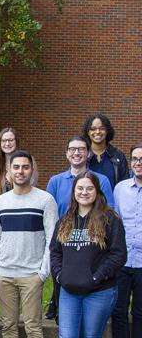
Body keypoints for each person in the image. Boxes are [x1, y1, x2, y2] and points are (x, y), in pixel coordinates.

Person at [44, 171, 126, 338]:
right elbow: (55, 251)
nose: (84, 192)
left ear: (97, 191)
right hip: (69, 291)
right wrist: (59, 275)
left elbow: (118, 254)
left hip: (99, 291)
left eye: (89, 188)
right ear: (74, 192)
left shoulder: (110, 219)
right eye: (80, 188)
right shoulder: (66, 219)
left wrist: (95, 277)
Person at [0, 150, 58, 338]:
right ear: (8, 172)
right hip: (5, 274)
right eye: (15, 167)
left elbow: (52, 239)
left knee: (33, 326)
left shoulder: (45, 200)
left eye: (25, 167)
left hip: (31, 275)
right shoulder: (1, 202)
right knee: (8, 325)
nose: (20, 171)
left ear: (32, 170)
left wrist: (42, 272)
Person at [45, 135, 114, 320]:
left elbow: (109, 214)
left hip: (92, 248)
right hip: (64, 247)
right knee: (65, 313)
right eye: (72, 149)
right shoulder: (55, 181)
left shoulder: (102, 180)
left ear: (88, 153)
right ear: (67, 153)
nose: (77, 153)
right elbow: (49, 215)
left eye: (81, 149)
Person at [103, 143, 142, 338]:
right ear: (131, 163)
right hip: (122, 262)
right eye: (136, 159)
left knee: (140, 314)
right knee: (118, 313)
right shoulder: (119, 190)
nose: (139, 162)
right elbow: (112, 222)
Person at [82, 114, 129, 189]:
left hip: (112, 200)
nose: (97, 132)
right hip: (87, 199)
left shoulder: (118, 155)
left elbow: (125, 184)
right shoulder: (83, 155)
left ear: (107, 131)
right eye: (93, 129)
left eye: (102, 128)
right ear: (88, 132)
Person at [0, 127, 38, 196]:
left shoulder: (27, 160)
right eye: (4, 140)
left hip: (25, 202)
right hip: (3, 205)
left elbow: (33, 183)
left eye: (11, 140)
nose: (7, 144)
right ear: (0, 143)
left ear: (17, 141)